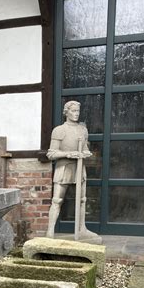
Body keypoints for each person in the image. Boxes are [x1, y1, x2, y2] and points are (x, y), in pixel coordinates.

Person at [45, 100, 99, 241]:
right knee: (57, 200)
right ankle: (50, 232)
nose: (76, 114)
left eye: (78, 111)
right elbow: (51, 154)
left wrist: (86, 153)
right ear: (66, 112)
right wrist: (68, 154)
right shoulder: (59, 130)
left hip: (79, 167)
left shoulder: (83, 129)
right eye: (73, 111)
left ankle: (82, 229)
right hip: (64, 167)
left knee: (82, 199)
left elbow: (85, 149)